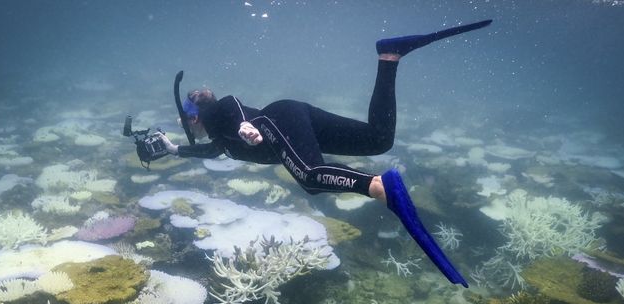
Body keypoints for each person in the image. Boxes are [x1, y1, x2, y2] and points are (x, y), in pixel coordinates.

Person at [155, 20, 493, 287]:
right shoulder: (218, 137)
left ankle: (379, 186)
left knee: (310, 177)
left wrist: (248, 126)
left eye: (185, 123)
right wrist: (175, 150)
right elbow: (213, 151)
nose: (188, 127)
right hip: (291, 114)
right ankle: (389, 57)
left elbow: (233, 106)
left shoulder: (218, 115)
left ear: (193, 116)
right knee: (377, 140)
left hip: (277, 120)